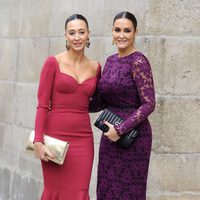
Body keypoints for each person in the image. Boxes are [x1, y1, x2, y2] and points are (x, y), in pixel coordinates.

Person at [33, 14, 101, 200]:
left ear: (88, 34)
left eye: (81, 32)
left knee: (79, 192)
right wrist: (38, 141)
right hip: (54, 138)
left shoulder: (96, 67)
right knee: (55, 192)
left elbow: (101, 100)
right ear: (65, 35)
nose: (77, 37)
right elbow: (42, 105)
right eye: (72, 33)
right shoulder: (52, 62)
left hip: (83, 139)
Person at [89, 11, 156, 200]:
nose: (122, 35)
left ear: (135, 32)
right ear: (112, 31)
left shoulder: (138, 61)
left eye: (127, 30)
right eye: (117, 30)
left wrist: (120, 129)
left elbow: (149, 104)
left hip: (134, 138)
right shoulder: (110, 61)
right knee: (106, 188)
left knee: (129, 192)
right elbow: (102, 101)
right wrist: (73, 103)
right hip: (110, 137)